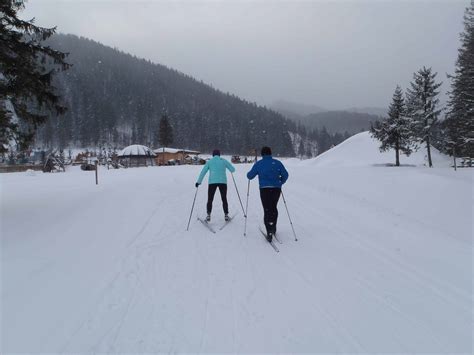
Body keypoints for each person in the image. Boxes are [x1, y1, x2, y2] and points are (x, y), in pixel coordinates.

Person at [247, 146, 288, 242]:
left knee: (267, 209)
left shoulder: (259, 164)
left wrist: (248, 174)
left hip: (264, 189)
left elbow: (250, 176)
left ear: (262, 154)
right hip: (276, 189)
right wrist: (280, 182)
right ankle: (273, 227)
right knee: (273, 207)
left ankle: (269, 231)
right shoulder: (277, 163)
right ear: (270, 153)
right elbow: (286, 175)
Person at [195, 149, 235, 222]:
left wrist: (198, 182)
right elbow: (233, 169)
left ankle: (208, 215)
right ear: (219, 154)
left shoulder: (210, 162)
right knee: (224, 199)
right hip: (223, 182)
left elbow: (203, 172)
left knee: (210, 199)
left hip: (212, 182)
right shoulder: (223, 161)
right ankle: (226, 215)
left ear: (213, 155)